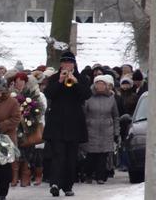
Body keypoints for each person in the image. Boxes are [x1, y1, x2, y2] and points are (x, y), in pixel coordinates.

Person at [43, 51, 91, 197]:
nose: (67, 65)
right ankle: (55, 184)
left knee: (71, 157)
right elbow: (48, 94)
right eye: (64, 62)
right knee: (58, 155)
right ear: (61, 64)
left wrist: (75, 82)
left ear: (74, 64)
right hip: (57, 123)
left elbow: (86, 95)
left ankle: (68, 186)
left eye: (70, 63)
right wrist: (60, 81)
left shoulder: (81, 78)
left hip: (74, 124)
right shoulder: (53, 78)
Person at [83, 75, 120, 184]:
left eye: (102, 84)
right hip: (91, 129)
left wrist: (116, 131)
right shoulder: (88, 98)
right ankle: (88, 174)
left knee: (103, 155)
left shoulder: (111, 98)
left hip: (106, 129)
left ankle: (100, 176)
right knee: (91, 154)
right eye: (98, 84)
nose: (100, 86)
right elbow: (84, 113)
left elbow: (116, 116)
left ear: (106, 86)